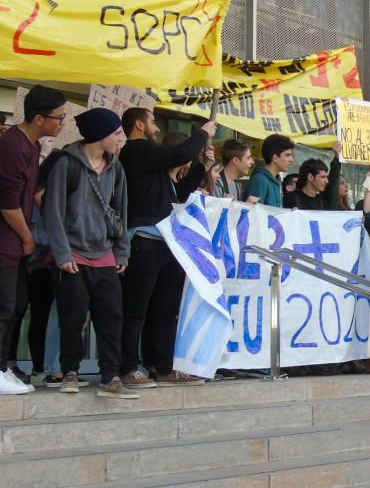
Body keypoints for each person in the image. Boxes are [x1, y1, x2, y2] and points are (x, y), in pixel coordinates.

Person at [118, 109, 216, 389]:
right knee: (136, 309)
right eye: (152, 122)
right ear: (139, 125)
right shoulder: (137, 150)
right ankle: (128, 366)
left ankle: (161, 366)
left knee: (165, 308)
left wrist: (199, 166)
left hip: (167, 242)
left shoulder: (155, 169)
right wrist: (203, 133)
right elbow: (176, 155)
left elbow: (180, 194)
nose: (156, 129)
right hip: (144, 241)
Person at [42, 108, 136, 399]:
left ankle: (110, 375)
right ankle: (70, 371)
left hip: (105, 253)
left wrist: (122, 252)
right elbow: (53, 212)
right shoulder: (66, 164)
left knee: (111, 316)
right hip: (73, 254)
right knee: (73, 316)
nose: (121, 138)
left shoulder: (115, 168)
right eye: (117, 132)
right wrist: (62, 253)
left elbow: (121, 212)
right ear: (101, 135)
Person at [0, 85, 66, 395]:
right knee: (4, 308)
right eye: (59, 117)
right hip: (7, 241)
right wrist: (27, 238)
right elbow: (8, 204)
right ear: (39, 118)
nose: (62, 123)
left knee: (15, 308)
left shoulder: (30, 145)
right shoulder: (13, 145)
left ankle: (4, 367)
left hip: (15, 242)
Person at [247, 134, 295, 206]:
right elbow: (254, 213)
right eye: (287, 155)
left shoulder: (277, 180)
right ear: (275, 158)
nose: (292, 160)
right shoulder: (260, 180)